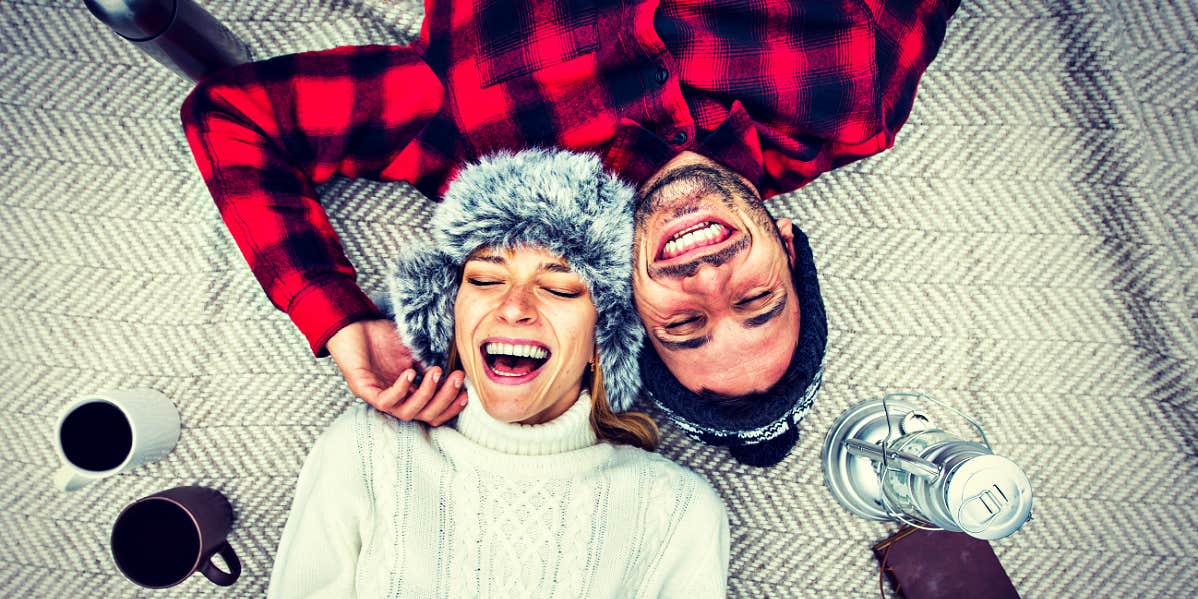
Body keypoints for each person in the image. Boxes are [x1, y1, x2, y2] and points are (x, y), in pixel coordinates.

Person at [181, 0, 960, 464]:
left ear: (624, 300)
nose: (709, 278)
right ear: (789, 247)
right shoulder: (859, 95)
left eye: (685, 322)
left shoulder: (478, 151)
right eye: (755, 299)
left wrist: (339, 317)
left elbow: (235, 118)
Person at [267, 149, 729, 597]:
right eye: (485, 280)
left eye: (559, 287)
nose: (513, 307)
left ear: (602, 340)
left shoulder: (676, 512)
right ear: (452, 316)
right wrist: (340, 322)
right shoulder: (367, 451)